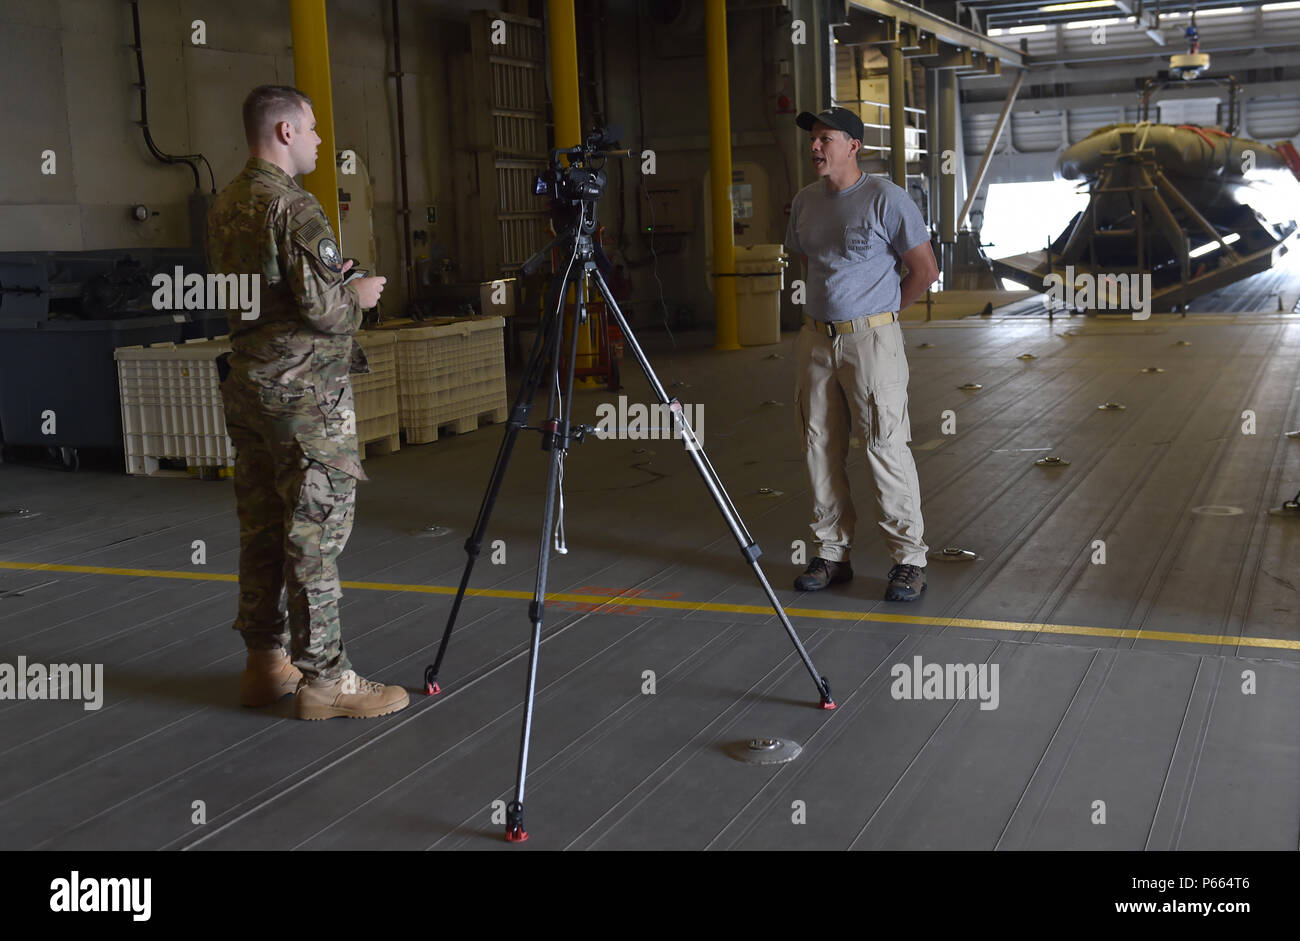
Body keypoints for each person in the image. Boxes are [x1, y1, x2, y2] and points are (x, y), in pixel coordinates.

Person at [207, 84, 408, 718]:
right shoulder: (295, 209)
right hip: (305, 402)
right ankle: (327, 681)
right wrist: (361, 294)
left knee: (264, 528)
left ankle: (266, 665)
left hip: (250, 388)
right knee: (315, 536)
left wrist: (326, 282)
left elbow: (256, 298)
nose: (323, 140)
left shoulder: (228, 204)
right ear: (286, 132)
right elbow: (325, 314)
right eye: (314, 128)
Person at [784, 107, 939, 601]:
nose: (815, 147)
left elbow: (924, 270)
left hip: (871, 340)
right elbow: (810, 260)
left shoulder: (886, 199)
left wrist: (882, 313)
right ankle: (832, 552)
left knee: (884, 446)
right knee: (819, 445)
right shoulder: (805, 202)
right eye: (813, 139)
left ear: (853, 145)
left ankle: (908, 560)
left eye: (825, 138)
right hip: (815, 339)